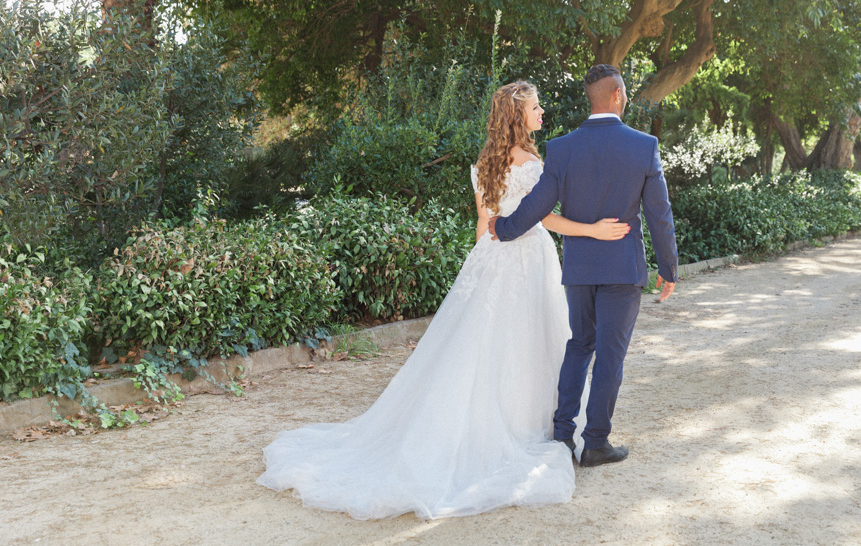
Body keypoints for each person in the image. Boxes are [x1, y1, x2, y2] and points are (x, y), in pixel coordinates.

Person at [257, 80, 629, 520]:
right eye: (535, 107)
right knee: (531, 341)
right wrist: (593, 230)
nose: (541, 112)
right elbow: (542, 217)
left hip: (492, 258)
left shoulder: (484, 163)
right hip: (528, 258)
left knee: (488, 342)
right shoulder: (531, 162)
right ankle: (535, 426)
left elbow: (484, 223)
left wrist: (477, 272)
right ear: (518, 116)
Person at [489, 63, 677, 468]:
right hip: (623, 270)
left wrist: (503, 229)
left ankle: (561, 435)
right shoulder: (644, 146)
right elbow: (659, 214)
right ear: (617, 96)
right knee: (610, 356)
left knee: (579, 345)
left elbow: (537, 206)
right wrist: (669, 267)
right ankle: (595, 443)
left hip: (579, 269)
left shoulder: (562, 147)